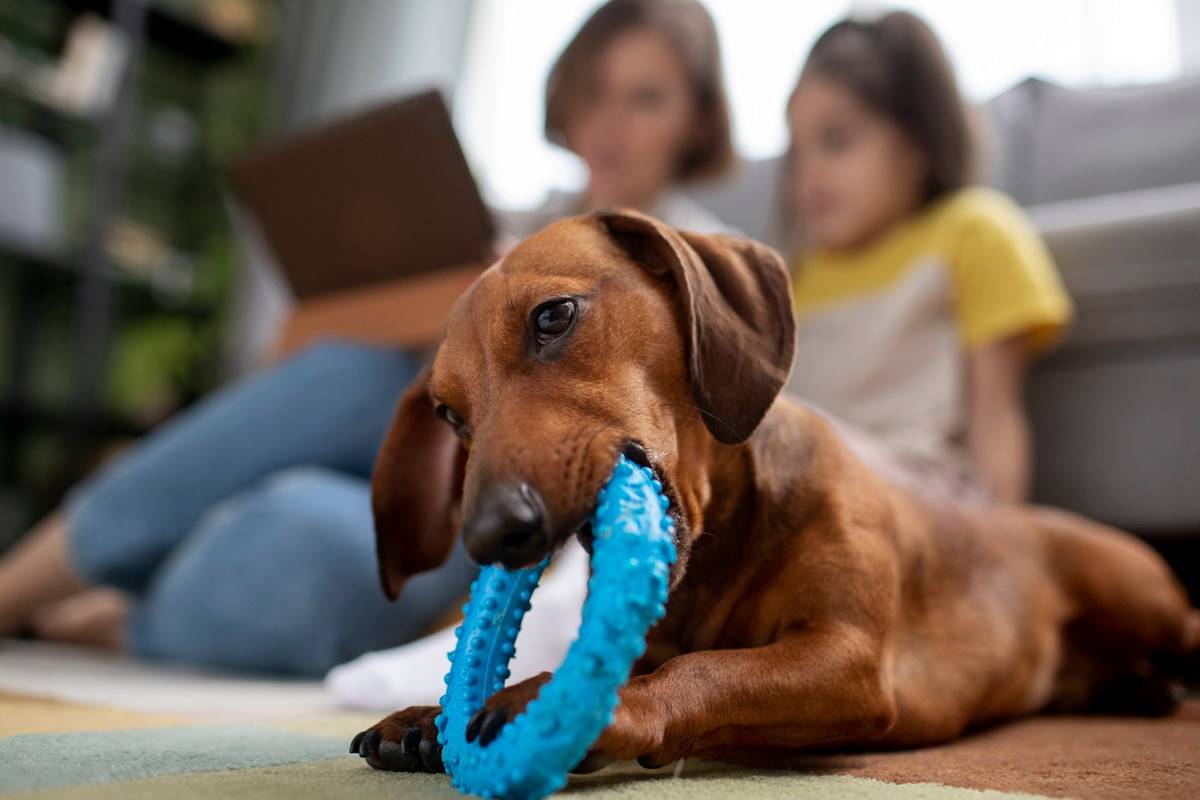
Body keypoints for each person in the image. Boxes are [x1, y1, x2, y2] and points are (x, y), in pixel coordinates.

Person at [0, 0, 736, 679]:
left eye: (647, 98)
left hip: (497, 497)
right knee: (348, 369)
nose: (612, 123)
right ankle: (18, 589)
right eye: (594, 92)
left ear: (697, 119)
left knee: (303, 525)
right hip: (399, 432)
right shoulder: (513, 227)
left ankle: (122, 622)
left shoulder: (707, 263)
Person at [783, 11, 1072, 504]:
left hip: (930, 501)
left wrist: (998, 555)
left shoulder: (974, 233)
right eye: (798, 152)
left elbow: (995, 418)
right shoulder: (796, 277)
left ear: (917, 142)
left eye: (837, 141)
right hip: (820, 498)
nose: (810, 174)